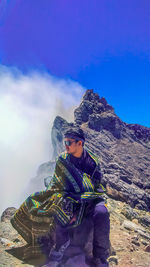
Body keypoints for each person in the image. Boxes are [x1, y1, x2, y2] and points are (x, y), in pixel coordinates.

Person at [11, 127, 110, 267]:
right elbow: (57, 185)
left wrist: (85, 197)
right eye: (65, 142)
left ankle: (100, 257)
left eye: (69, 142)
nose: (66, 146)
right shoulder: (62, 160)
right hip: (69, 197)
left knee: (102, 213)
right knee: (59, 206)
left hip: (90, 199)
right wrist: (70, 201)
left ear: (80, 143)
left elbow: (97, 186)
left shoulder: (93, 162)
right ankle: (57, 252)